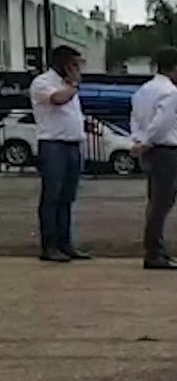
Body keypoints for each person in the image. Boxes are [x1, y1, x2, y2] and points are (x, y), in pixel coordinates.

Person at [31, 45, 92, 262]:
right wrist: (74, 84)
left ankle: (65, 243)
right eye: (74, 64)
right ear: (64, 64)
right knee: (52, 196)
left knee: (67, 197)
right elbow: (57, 99)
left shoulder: (69, 86)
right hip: (53, 144)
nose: (78, 68)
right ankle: (49, 245)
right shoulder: (43, 82)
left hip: (73, 143)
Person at [129, 46, 177, 270]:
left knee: (155, 201)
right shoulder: (170, 92)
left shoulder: (143, 90)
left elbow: (136, 118)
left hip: (151, 150)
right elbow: (162, 122)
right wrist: (148, 141)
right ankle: (154, 251)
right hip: (165, 149)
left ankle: (155, 249)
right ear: (173, 67)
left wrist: (138, 140)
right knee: (161, 203)